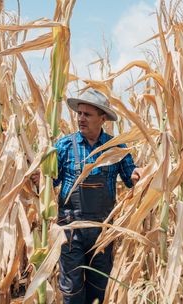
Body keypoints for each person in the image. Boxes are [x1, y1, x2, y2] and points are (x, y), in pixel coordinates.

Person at [32, 89, 142, 304]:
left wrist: (139, 174)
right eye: (79, 113)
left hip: (102, 230)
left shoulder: (116, 147)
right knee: (72, 290)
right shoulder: (63, 146)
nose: (81, 118)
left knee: (99, 289)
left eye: (87, 114)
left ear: (102, 119)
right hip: (71, 230)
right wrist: (39, 179)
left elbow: (131, 178)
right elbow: (51, 182)